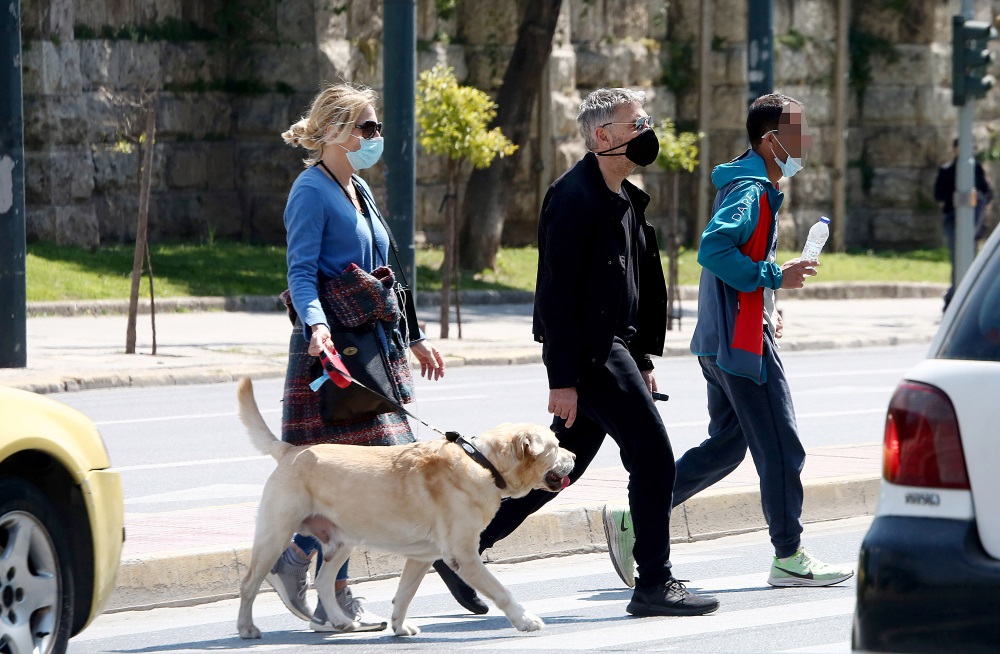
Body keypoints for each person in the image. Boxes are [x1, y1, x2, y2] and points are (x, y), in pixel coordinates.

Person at [432, 87, 719, 618]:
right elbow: (556, 294)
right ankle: (654, 583)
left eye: (646, 120)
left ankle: (458, 554)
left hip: (616, 350)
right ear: (603, 136)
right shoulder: (572, 197)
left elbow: (636, 287)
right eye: (637, 123)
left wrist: (645, 362)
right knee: (654, 459)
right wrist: (561, 379)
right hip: (590, 354)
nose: (647, 131)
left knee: (561, 469)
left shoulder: (625, 197)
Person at [601, 93, 855, 590]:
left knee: (727, 446)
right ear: (770, 141)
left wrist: (767, 299)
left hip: (722, 339)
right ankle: (789, 556)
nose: (806, 144)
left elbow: (732, 261)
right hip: (742, 344)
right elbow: (714, 249)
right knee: (782, 449)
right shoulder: (751, 189)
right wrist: (774, 275)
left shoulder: (749, 182)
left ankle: (636, 514)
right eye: (798, 134)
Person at [268, 83, 446, 632]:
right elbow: (301, 273)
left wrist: (414, 336)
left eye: (376, 127)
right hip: (333, 354)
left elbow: (386, 273)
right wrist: (316, 329)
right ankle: (329, 585)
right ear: (332, 132)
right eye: (366, 128)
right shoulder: (310, 191)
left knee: (371, 480)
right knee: (351, 482)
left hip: (372, 348)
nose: (376, 137)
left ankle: (300, 563)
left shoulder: (358, 189)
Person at [934, 138, 994, 311]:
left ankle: (962, 297)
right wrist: (958, 198)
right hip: (953, 220)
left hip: (973, 222)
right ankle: (954, 298)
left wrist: (975, 199)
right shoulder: (947, 171)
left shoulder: (976, 169)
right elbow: (939, 194)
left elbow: (988, 193)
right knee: (957, 258)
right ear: (955, 149)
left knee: (970, 260)